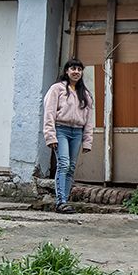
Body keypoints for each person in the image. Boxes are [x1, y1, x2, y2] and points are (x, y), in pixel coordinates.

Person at [43, 59, 94, 214]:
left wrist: (87, 141)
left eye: (79, 69)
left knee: (71, 167)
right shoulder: (57, 89)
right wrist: (50, 136)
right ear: (66, 71)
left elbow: (89, 120)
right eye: (73, 68)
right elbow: (49, 112)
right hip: (61, 130)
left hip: (77, 132)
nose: (76, 72)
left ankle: (64, 201)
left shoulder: (85, 94)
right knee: (63, 164)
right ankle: (60, 202)